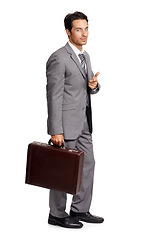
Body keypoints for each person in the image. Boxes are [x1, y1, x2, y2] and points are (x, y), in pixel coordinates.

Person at [46, 11, 104, 229]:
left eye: (86, 28)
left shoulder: (85, 55)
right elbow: (53, 96)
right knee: (62, 170)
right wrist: (55, 130)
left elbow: (87, 86)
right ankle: (57, 214)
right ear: (68, 32)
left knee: (88, 164)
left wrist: (94, 86)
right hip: (65, 125)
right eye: (78, 29)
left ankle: (79, 209)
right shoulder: (58, 57)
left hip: (84, 123)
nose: (84, 33)